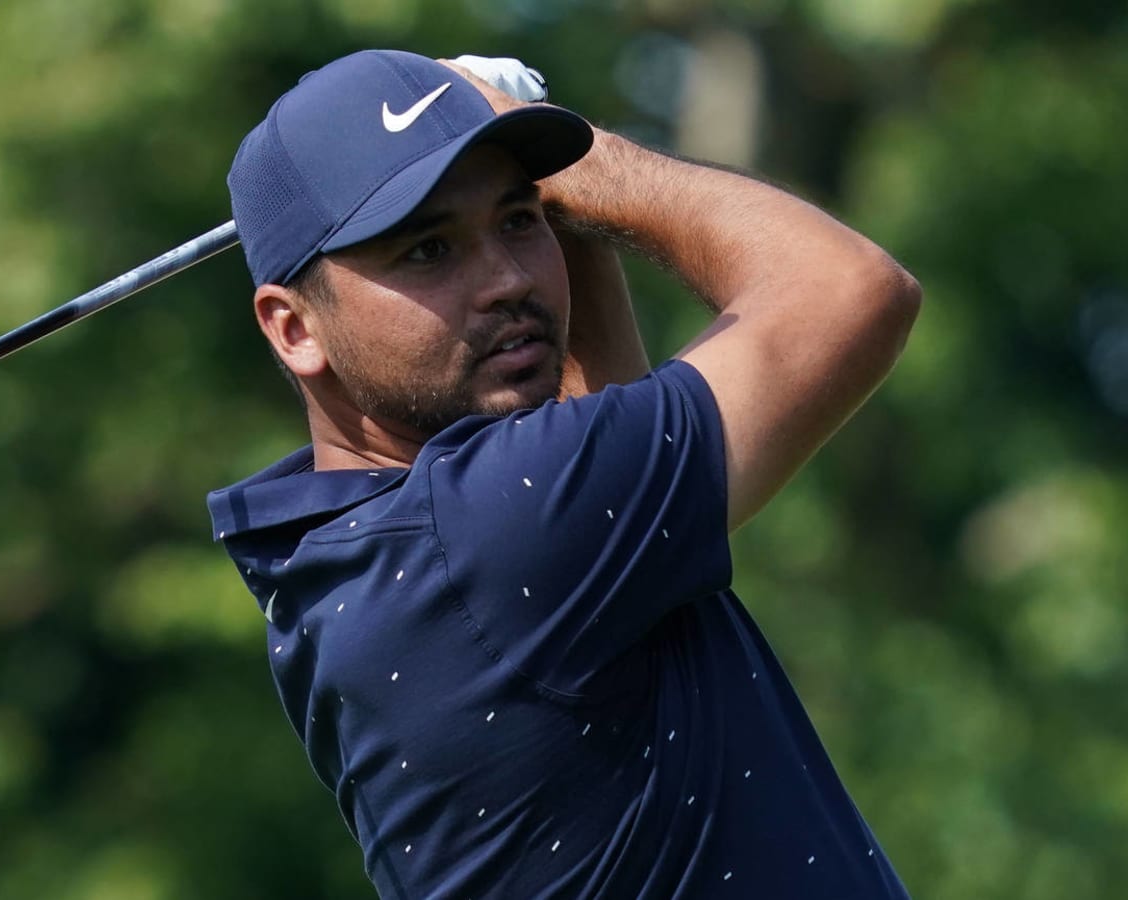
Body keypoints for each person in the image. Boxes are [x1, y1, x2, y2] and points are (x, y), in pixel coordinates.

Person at [207, 49, 920, 899]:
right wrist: (589, 158)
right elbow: (852, 290)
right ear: (293, 329)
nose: (507, 281)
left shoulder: (345, 560)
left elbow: (597, 428)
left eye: (519, 219)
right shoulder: (484, 535)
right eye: (429, 250)